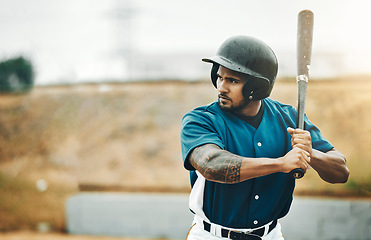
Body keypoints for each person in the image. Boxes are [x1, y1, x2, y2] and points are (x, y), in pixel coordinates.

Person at [180, 35, 349, 240]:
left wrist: (310, 153)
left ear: (257, 87)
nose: (221, 87)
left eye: (232, 80)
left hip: (270, 235)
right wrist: (281, 164)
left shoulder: (290, 118)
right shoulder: (201, 119)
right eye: (220, 77)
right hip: (212, 235)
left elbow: (341, 172)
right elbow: (211, 165)